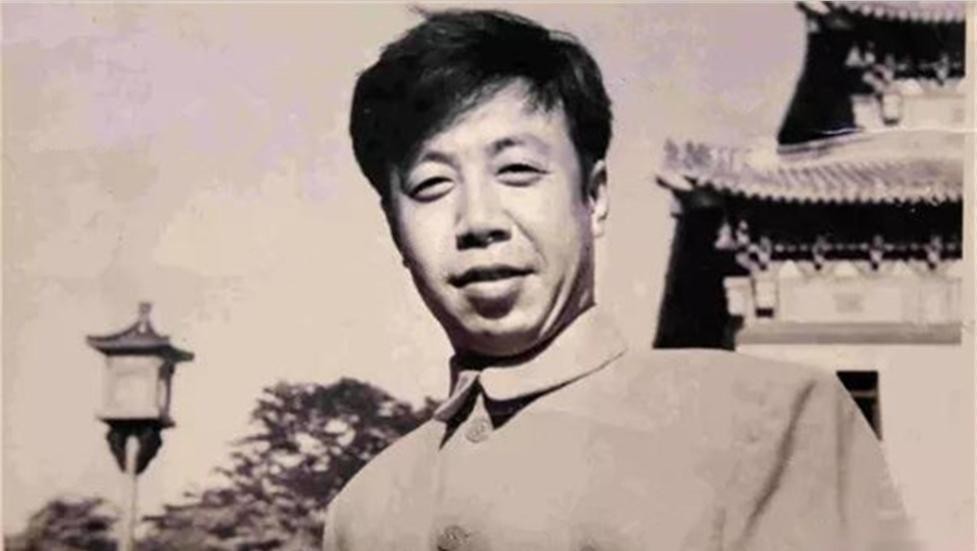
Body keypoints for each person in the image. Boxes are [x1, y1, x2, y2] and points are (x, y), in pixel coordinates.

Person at [324, 8, 907, 551]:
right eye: (432, 185)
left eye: (517, 170)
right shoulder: (364, 513)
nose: (479, 221)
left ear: (595, 196)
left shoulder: (770, 423)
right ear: (395, 229)